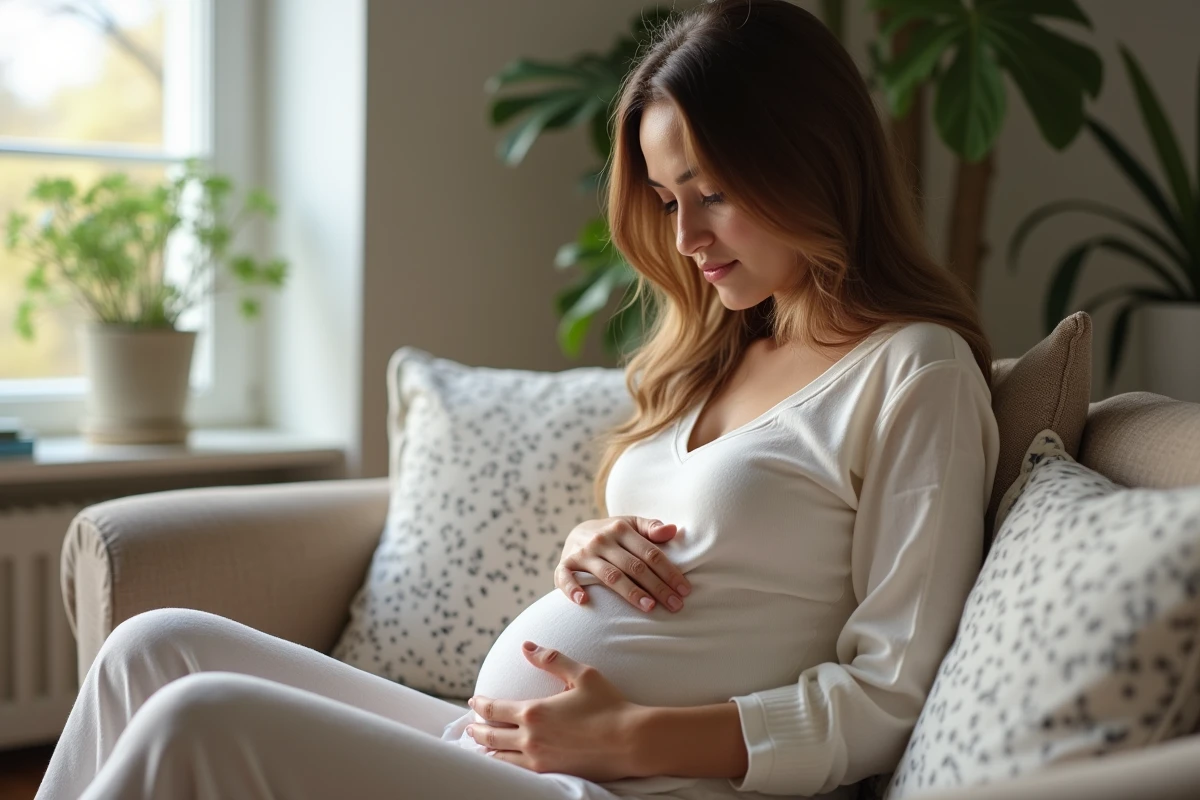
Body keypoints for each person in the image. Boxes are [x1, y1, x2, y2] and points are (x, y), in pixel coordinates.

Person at [35, 1, 999, 798]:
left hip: (622, 786)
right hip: (512, 747)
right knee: (152, 650)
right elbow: (720, 561)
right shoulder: (728, 346)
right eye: (667, 200)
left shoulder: (915, 372)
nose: (688, 236)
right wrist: (591, 542)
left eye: (709, 191)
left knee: (203, 715)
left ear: (809, 159)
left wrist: (634, 737)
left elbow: (885, 697)